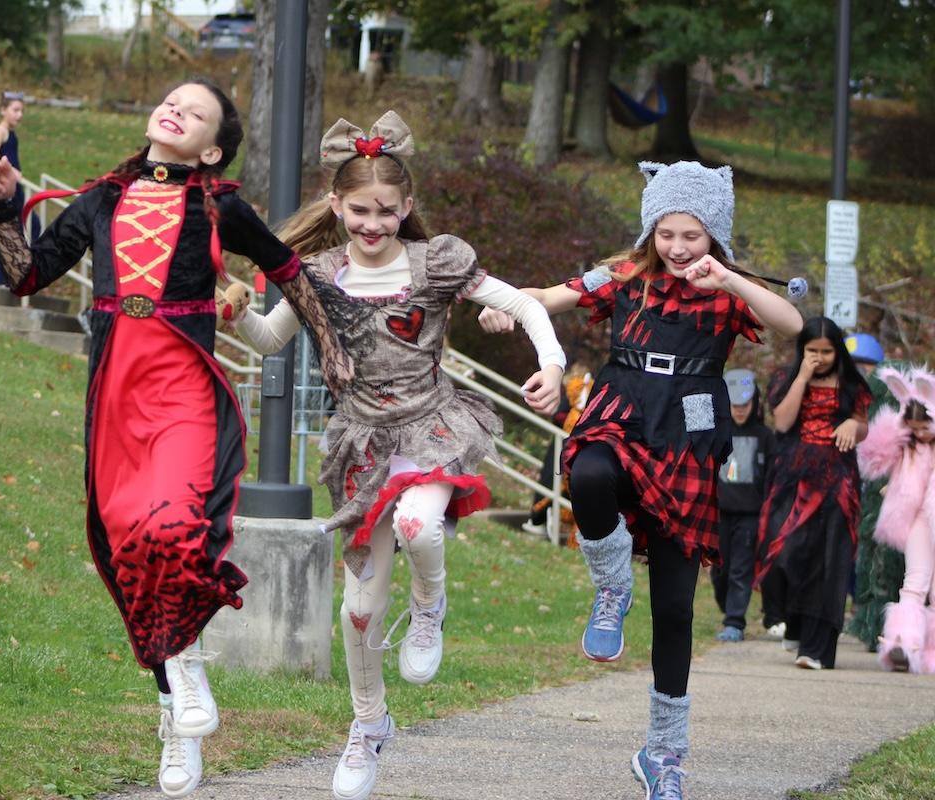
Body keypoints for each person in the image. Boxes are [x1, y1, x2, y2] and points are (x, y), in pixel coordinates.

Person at [0, 78, 347, 799]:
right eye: (172, 99)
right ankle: (176, 699)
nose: (176, 108)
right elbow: (26, 274)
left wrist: (329, 348)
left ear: (211, 147)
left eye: (196, 111)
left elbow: (287, 270)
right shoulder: (102, 199)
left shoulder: (220, 206)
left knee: (171, 528)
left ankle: (184, 674)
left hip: (182, 388)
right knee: (129, 544)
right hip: (116, 392)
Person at [232, 111, 566, 800]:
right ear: (336, 206)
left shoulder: (435, 260)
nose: (374, 224)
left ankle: (432, 602)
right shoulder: (317, 273)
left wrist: (553, 364)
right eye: (360, 211)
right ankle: (368, 722)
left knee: (419, 523)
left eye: (387, 211)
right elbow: (268, 340)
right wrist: (232, 313)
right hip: (362, 443)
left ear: (406, 207)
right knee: (357, 610)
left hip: (431, 426)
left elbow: (528, 309)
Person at [480, 160, 804, 800]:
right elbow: (552, 296)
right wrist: (507, 309)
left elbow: (792, 326)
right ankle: (610, 588)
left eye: (693, 234)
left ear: (713, 233)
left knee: (677, 607)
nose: (679, 247)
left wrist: (732, 279)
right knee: (591, 471)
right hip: (624, 402)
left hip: (687, 427)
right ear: (650, 230)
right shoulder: (625, 274)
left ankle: (663, 751)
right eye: (667, 233)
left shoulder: (725, 287)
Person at [756, 316, 871, 671]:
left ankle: (816, 649)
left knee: (829, 562)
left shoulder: (853, 384)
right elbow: (784, 422)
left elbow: (863, 425)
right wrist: (803, 377)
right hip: (794, 476)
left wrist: (855, 424)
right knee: (785, 552)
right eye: (811, 351)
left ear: (837, 351)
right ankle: (793, 621)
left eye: (826, 351)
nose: (819, 357)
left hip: (838, 480)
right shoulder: (786, 378)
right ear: (801, 350)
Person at [857, 367, 935, 673]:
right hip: (916, 518)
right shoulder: (908, 446)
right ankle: (903, 641)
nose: (919, 434)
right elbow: (873, 458)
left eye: (924, 427)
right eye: (913, 427)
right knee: (915, 580)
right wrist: (894, 428)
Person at [843, 333, 908, 652]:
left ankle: (882, 625)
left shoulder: (892, 404)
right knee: (861, 557)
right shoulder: (846, 399)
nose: (861, 372)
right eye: (855, 366)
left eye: (866, 365)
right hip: (852, 487)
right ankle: (866, 618)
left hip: (885, 490)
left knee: (884, 559)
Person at [710, 369, 774, 642]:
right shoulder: (715, 433)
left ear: (754, 404)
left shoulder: (765, 437)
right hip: (719, 514)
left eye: (744, 405)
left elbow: (771, 477)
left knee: (741, 569)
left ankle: (735, 620)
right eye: (734, 405)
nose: (739, 411)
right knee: (719, 571)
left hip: (750, 516)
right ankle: (729, 609)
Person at [522, 362, 592, 544]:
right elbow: (558, 416)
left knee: (572, 489)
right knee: (550, 483)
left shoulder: (590, 391)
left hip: (577, 447)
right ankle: (539, 519)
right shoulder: (568, 392)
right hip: (561, 447)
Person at [0, 91, 39, 285]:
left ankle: (16, 273)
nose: (19, 115)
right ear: (3, 110)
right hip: (5, 189)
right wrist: (12, 172)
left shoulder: (12, 133)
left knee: (31, 226)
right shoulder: (0, 131)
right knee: (7, 232)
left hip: (15, 189)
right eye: (15, 110)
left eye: (21, 111)